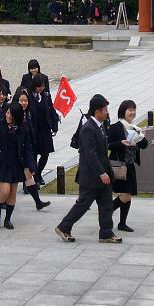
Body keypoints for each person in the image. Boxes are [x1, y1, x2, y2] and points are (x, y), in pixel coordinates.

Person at [55, 94, 121, 243]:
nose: (107, 112)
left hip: (103, 175)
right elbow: (90, 155)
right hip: (91, 177)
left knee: (106, 204)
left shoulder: (101, 126)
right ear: (97, 111)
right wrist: (101, 173)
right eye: (105, 109)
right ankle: (64, 226)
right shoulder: (88, 129)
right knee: (83, 205)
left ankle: (106, 232)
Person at [0, 103, 43, 229]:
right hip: (1, 164)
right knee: (5, 190)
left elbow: (28, 148)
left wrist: (31, 166)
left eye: (11, 115)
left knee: (12, 192)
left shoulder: (23, 128)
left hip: (16, 164)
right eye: (7, 113)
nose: (8, 116)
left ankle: (7, 219)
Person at [107, 100, 150, 232]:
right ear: (123, 111)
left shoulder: (134, 128)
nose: (132, 112)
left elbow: (145, 145)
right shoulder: (116, 127)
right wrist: (121, 143)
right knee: (127, 193)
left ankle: (122, 223)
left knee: (128, 193)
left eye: (134, 110)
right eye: (130, 110)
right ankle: (107, 211)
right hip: (119, 164)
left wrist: (141, 136)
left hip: (130, 164)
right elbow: (108, 145)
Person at [29, 74, 59, 186]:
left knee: (45, 154)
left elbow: (51, 110)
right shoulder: (29, 97)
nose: (41, 88)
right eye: (39, 86)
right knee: (33, 154)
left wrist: (54, 126)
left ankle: (38, 173)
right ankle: (34, 177)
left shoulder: (46, 96)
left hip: (45, 129)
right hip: (33, 129)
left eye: (42, 86)